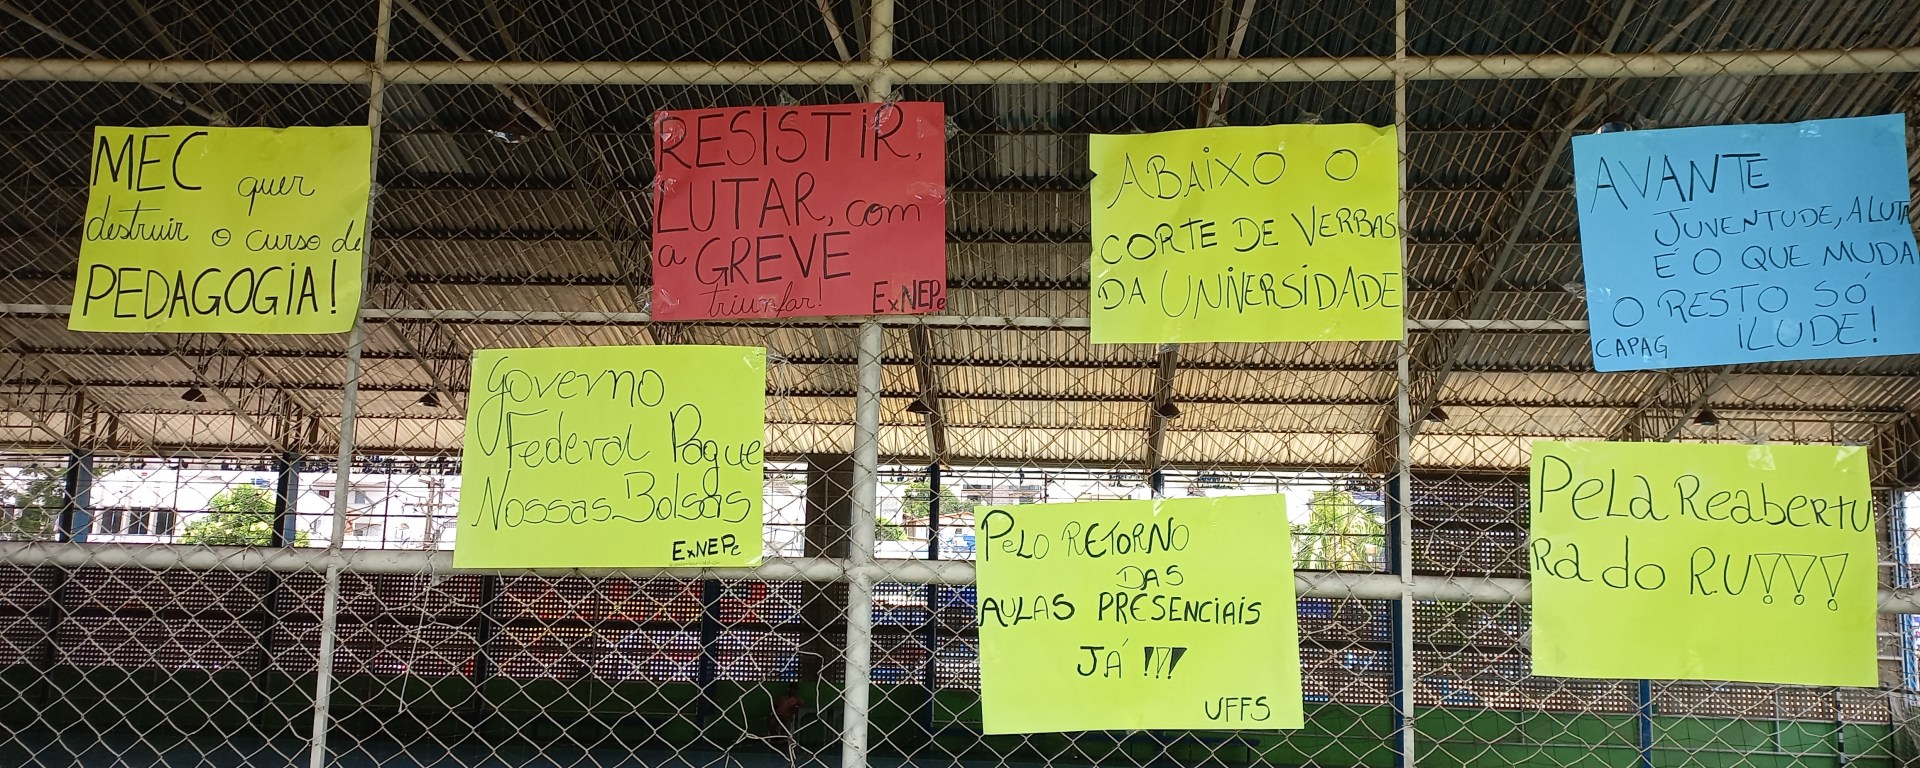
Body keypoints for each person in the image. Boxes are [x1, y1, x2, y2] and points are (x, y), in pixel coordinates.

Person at [771, 684, 805, 758]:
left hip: (787, 716)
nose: (791, 691)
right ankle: (774, 739)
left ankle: (783, 740)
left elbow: (802, 706)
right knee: (772, 723)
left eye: (793, 689)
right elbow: (775, 705)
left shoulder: (796, 700)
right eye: (790, 689)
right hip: (777, 715)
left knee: (787, 726)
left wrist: (795, 709)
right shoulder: (783, 698)